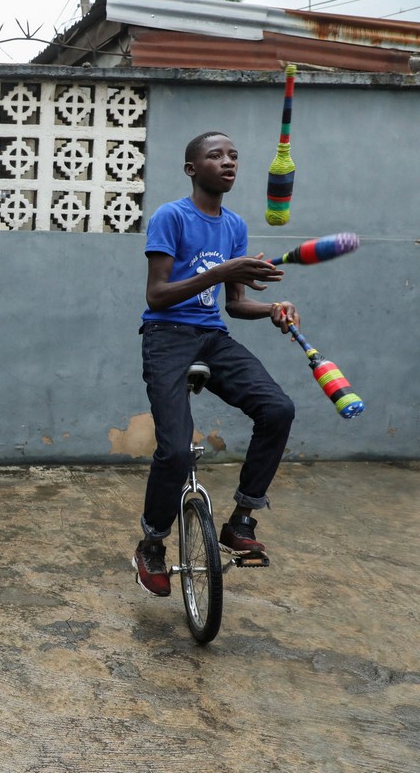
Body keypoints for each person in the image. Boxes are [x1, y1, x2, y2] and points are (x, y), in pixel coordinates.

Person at [133, 130, 297, 597]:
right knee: (176, 450)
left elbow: (234, 304)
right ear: (192, 169)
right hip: (166, 337)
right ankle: (152, 545)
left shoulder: (235, 226)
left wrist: (272, 310)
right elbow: (157, 295)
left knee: (278, 409)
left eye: (233, 156)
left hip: (213, 338)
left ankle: (241, 518)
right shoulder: (172, 216)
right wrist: (223, 269)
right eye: (215, 155)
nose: (228, 162)